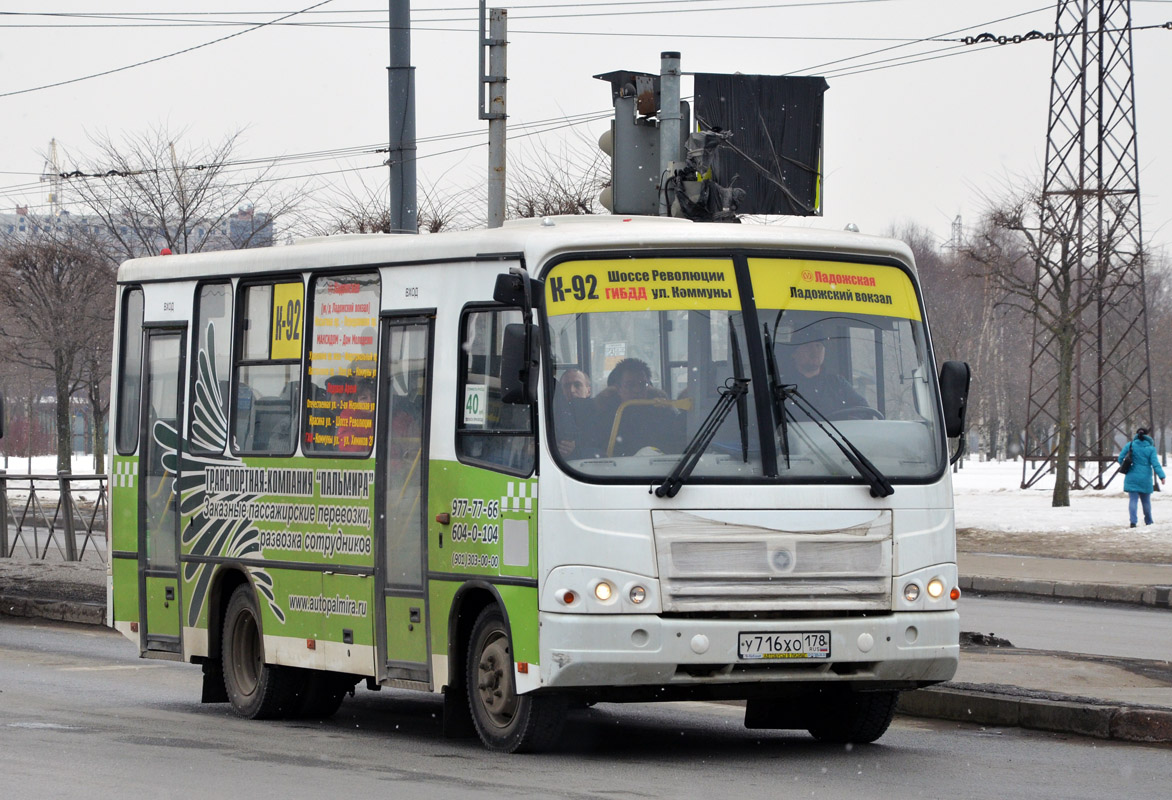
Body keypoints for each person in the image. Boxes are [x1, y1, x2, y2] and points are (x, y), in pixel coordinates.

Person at [589, 358, 681, 456]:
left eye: (642, 384)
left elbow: (675, 446)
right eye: (630, 385)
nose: (637, 390)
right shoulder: (603, 416)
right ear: (618, 388)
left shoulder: (664, 413)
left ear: (649, 386)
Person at [784, 324, 869, 419]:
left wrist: (848, 420)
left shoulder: (838, 384)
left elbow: (864, 411)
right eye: (807, 346)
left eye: (818, 346)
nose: (814, 351)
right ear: (794, 353)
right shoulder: (782, 387)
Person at [1118, 427, 1165, 527]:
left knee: (1133, 500)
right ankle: (1148, 521)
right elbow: (1155, 464)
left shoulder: (1130, 445)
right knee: (1146, 501)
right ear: (1147, 435)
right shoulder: (1151, 449)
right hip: (1145, 477)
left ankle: (1133, 522)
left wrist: (1127, 466)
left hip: (1131, 475)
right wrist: (1161, 476)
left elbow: (1120, 458)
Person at [554, 369, 593, 458]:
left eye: (577, 385)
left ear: (588, 391)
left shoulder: (599, 415)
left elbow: (605, 451)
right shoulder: (552, 416)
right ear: (561, 391)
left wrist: (577, 450)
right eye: (567, 386)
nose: (572, 390)